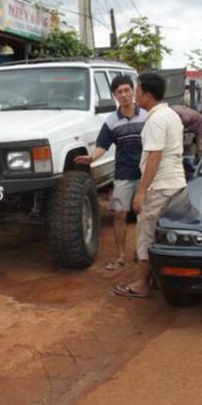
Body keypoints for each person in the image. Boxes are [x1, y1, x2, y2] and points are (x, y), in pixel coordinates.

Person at [112, 73, 186, 298]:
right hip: (176, 183)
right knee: (168, 234)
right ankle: (159, 278)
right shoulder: (170, 114)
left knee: (146, 234)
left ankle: (142, 283)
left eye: (137, 90)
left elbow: (154, 156)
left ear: (147, 94)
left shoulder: (155, 119)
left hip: (160, 187)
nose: (134, 94)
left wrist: (142, 191)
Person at [75, 75, 146, 270]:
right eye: (119, 92)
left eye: (126, 90)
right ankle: (121, 256)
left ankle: (143, 254)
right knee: (119, 215)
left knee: (145, 215)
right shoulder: (111, 120)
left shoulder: (147, 116)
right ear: (114, 96)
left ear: (133, 91)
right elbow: (102, 145)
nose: (124, 95)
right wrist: (92, 158)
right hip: (123, 173)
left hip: (145, 174)